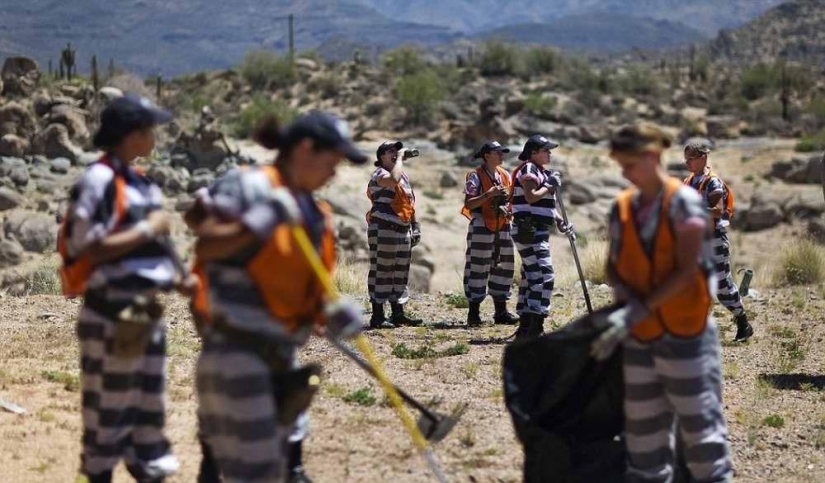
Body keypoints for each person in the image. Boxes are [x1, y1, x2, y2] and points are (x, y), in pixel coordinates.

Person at [186, 111, 366, 483]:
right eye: (331, 162)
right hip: (235, 355)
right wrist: (257, 222)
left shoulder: (317, 214)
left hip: (281, 360)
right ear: (304, 150)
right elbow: (207, 243)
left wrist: (330, 311)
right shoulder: (250, 186)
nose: (333, 173)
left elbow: (302, 288)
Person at [591, 123, 733, 483]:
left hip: (686, 337)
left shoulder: (684, 204)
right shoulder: (623, 206)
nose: (625, 173)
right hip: (640, 339)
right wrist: (620, 308)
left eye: (630, 164)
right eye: (620, 166)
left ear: (652, 156)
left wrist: (641, 307)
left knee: (702, 447)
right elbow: (615, 263)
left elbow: (688, 270)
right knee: (644, 447)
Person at [58, 93, 187, 483]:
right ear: (132, 134)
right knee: (108, 411)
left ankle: (148, 468)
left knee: (150, 407)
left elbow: (158, 247)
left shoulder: (139, 181)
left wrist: (184, 278)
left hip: (144, 312)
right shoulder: (97, 181)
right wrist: (149, 228)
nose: (155, 137)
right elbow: (89, 246)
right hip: (112, 313)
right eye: (150, 130)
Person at [683, 139, 753, 342]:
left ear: (703, 158)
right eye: (685, 159)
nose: (687, 163)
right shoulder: (688, 181)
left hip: (714, 241)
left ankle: (743, 322)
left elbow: (717, 211)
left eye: (691, 159)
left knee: (722, 288)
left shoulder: (712, 182)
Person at [510, 135, 573, 340]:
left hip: (536, 229)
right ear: (534, 152)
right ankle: (535, 326)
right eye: (545, 150)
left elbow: (541, 203)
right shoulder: (529, 169)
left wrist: (558, 220)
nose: (549, 153)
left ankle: (526, 324)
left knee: (530, 277)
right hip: (530, 230)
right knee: (544, 276)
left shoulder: (540, 171)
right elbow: (530, 196)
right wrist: (550, 185)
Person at [365, 141, 423, 329]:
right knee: (382, 270)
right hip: (384, 229)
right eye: (391, 151)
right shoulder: (380, 174)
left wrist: (415, 226)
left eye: (397, 151)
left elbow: (408, 202)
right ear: (382, 156)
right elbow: (393, 180)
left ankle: (398, 312)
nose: (396, 153)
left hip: (402, 229)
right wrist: (399, 159)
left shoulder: (403, 176)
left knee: (400, 271)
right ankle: (378, 315)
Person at [461, 140, 519, 326]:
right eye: (498, 152)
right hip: (481, 225)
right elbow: (469, 204)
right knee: (478, 266)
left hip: (503, 225)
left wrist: (508, 210)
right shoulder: (475, 176)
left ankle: (501, 311)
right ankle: (474, 313)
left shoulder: (505, 175)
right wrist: (489, 194)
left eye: (503, 152)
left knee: (504, 267)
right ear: (487, 155)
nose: (502, 155)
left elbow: (510, 199)